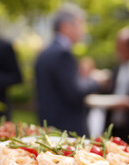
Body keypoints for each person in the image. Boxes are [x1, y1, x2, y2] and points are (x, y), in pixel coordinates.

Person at [35, 4, 106, 135]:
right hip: (67, 130)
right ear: (66, 26)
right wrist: (96, 81)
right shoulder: (63, 54)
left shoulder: (45, 53)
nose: (83, 30)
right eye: (80, 25)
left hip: (50, 127)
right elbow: (75, 92)